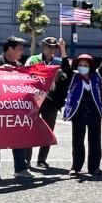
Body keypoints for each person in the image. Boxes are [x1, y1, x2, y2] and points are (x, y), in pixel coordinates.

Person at [0, 36, 32, 181]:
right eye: (19, 48)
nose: (22, 51)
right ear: (9, 49)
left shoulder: (19, 65)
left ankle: (20, 168)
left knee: (19, 139)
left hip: (15, 109)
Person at [62, 44, 102, 177]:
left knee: (95, 141)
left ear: (91, 66)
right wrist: (63, 49)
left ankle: (94, 168)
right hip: (78, 114)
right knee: (77, 142)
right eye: (80, 64)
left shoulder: (97, 77)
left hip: (94, 114)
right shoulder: (74, 77)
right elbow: (65, 67)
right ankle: (76, 167)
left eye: (86, 65)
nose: (83, 67)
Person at [25, 36, 68, 169]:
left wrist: (60, 77)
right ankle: (26, 160)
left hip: (52, 100)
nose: (51, 49)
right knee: (30, 130)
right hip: (35, 99)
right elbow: (26, 76)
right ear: (42, 47)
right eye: (49, 47)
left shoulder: (59, 61)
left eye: (54, 47)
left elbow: (68, 75)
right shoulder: (33, 60)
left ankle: (42, 159)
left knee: (48, 130)